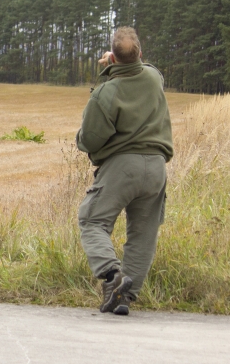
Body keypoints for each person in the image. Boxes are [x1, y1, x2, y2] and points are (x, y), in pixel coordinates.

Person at [76, 27, 173, 316]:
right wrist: (120, 64)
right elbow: (149, 70)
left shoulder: (106, 92)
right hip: (156, 167)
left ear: (112, 57)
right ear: (140, 54)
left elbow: (90, 140)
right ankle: (124, 297)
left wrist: (108, 72)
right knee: (143, 235)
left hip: (122, 166)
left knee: (92, 221)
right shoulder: (154, 79)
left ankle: (111, 274)